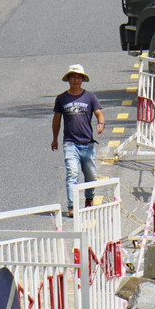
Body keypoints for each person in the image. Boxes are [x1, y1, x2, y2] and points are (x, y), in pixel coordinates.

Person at [51, 64, 106, 218]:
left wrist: (101, 123)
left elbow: (99, 113)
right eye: (73, 77)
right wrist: (54, 139)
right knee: (72, 173)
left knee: (91, 175)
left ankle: (89, 199)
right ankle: (72, 205)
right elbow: (56, 120)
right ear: (69, 79)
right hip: (70, 143)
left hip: (87, 143)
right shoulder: (62, 99)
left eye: (79, 77)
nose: (76, 80)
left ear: (82, 79)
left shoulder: (90, 97)